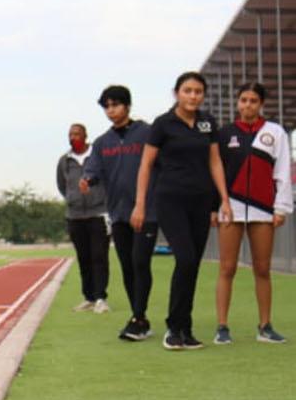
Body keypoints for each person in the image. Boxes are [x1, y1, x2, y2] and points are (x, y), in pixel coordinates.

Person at [130, 72, 233, 350]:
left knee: (192, 265)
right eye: (187, 90)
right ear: (177, 93)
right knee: (185, 259)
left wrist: (224, 200)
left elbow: (215, 162)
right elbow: (145, 165)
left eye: (198, 91)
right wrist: (140, 204)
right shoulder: (163, 124)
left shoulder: (207, 122)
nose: (193, 96)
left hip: (201, 201)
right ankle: (173, 328)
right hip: (170, 201)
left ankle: (185, 329)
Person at [212, 81, 292, 344]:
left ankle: (265, 326)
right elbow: (215, 172)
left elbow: (282, 172)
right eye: (244, 100)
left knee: (262, 269)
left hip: (263, 209)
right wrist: (215, 206)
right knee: (227, 268)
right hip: (230, 208)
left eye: (253, 101)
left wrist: (281, 208)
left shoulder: (275, 132)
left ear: (261, 104)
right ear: (238, 102)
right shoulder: (224, 133)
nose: (248, 105)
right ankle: (222, 327)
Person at [81, 85, 158, 340]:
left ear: (127, 105)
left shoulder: (147, 133)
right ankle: (140, 318)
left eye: (115, 105)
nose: (111, 110)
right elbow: (93, 170)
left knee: (140, 262)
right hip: (118, 213)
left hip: (147, 210)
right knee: (127, 266)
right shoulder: (102, 143)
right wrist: (87, 179)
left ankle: (138, 317)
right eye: (106, 106)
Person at [56, 123, 110, 314]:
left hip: (98, 213)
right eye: (71, 134)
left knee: (99, 256)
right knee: (83, 258)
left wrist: (101, 200)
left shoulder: (97, 156)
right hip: (75, 216)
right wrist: (73, 199)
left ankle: (100, 298)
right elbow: (62, 186)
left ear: (85, 136)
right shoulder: (65, 161)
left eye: (77, 134)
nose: (73, 137)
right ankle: (89, 297)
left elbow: (107, 179)